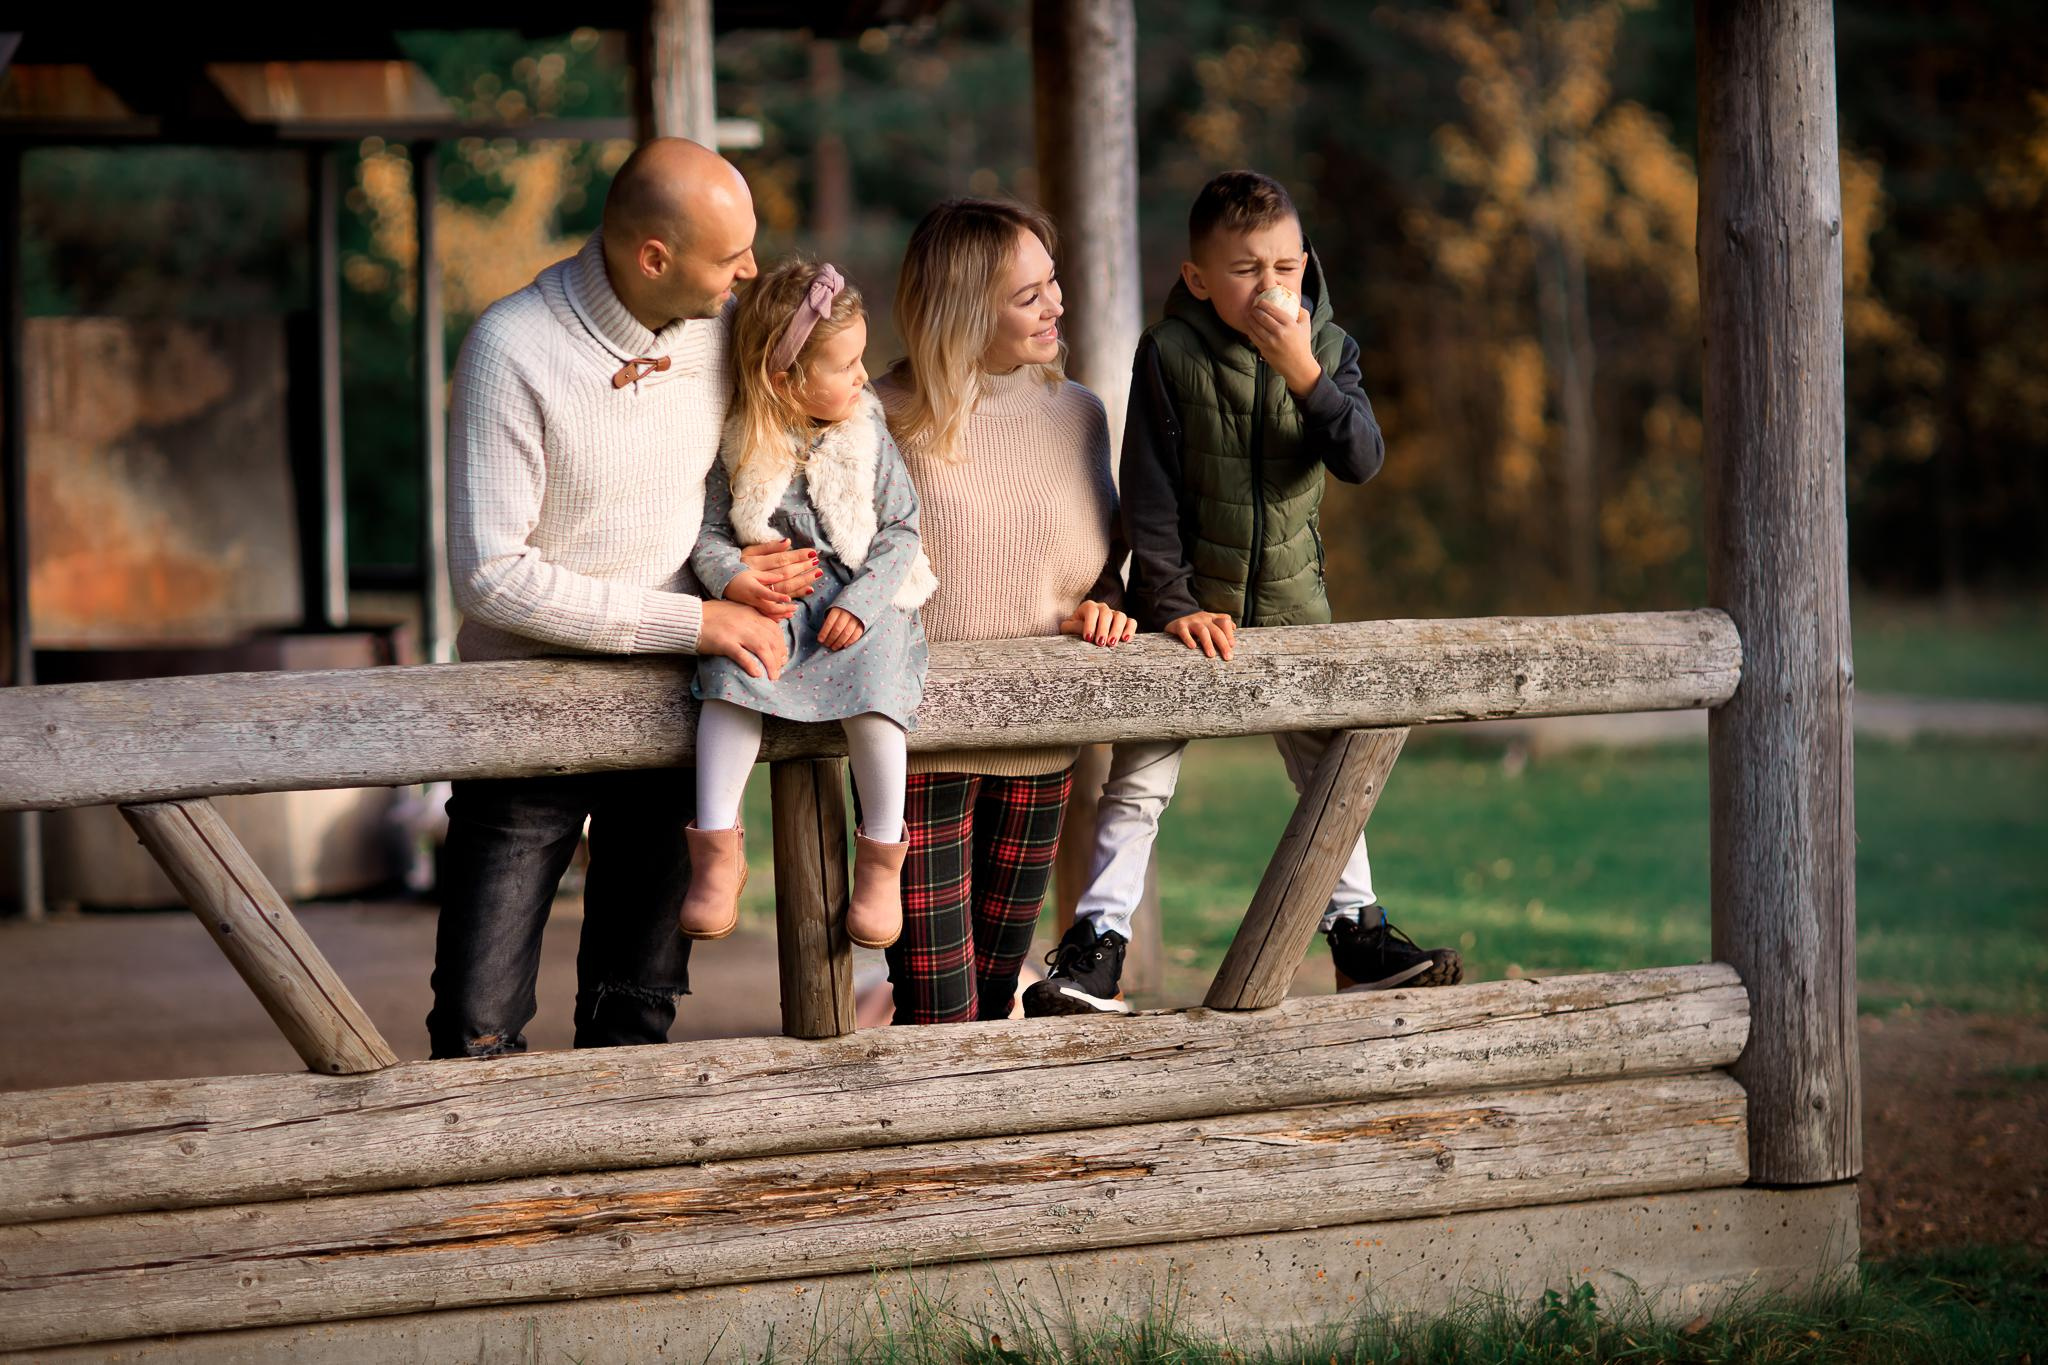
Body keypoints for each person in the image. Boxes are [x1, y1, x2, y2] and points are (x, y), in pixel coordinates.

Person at [1024, 170, 1462, 1018]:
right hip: (1185, 615)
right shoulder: (1171, 353)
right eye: (1245, 270)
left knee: (1328, 771)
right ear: (1197, 278)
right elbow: (1145, 494)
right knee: (1139, 781)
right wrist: (1174, 599)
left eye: (1286, 269)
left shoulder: (1328, 350)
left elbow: (1361, 458)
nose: (1270, 287)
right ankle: (1095, 948)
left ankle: (1359, 936)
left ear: (1307, 265)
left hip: (1295, 610)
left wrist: (1303, 371)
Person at [428, 139, 818, 1058]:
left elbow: (788, 454)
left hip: (665, 716)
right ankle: (494, 1205)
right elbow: (490, 574)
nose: (751, 272)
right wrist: (696, 619)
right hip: (520, 717)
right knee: (476, 1024)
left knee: (636, 1011)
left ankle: (620, 1203)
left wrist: (750, 568)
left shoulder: (726, 336)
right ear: (654, 257)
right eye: (732, 257)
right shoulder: (511, 349)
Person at [873, 197, 1133, 1025]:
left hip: (1041, 749)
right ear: (961, 310)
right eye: (1030, 295)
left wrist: (1106, 606)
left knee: (993, 1002)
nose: (1058, 304)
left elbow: (1104, 563)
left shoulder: (1079, 413)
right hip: (916, 758)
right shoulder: (876, 417)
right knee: (936, 1011)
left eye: (1053, 282)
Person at [682, 259, 936, 951]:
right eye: (846, 364)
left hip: (861, 602)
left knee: (877, 682)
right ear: (784, 378)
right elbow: (705, 535)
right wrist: (734, 579)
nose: (863, 376)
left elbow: (903, 529)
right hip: (776, 606)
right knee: (734, 672)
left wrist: (863, 599)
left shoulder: (866, 435)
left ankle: (883, 852)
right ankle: (716, 847)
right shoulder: (738, 442)